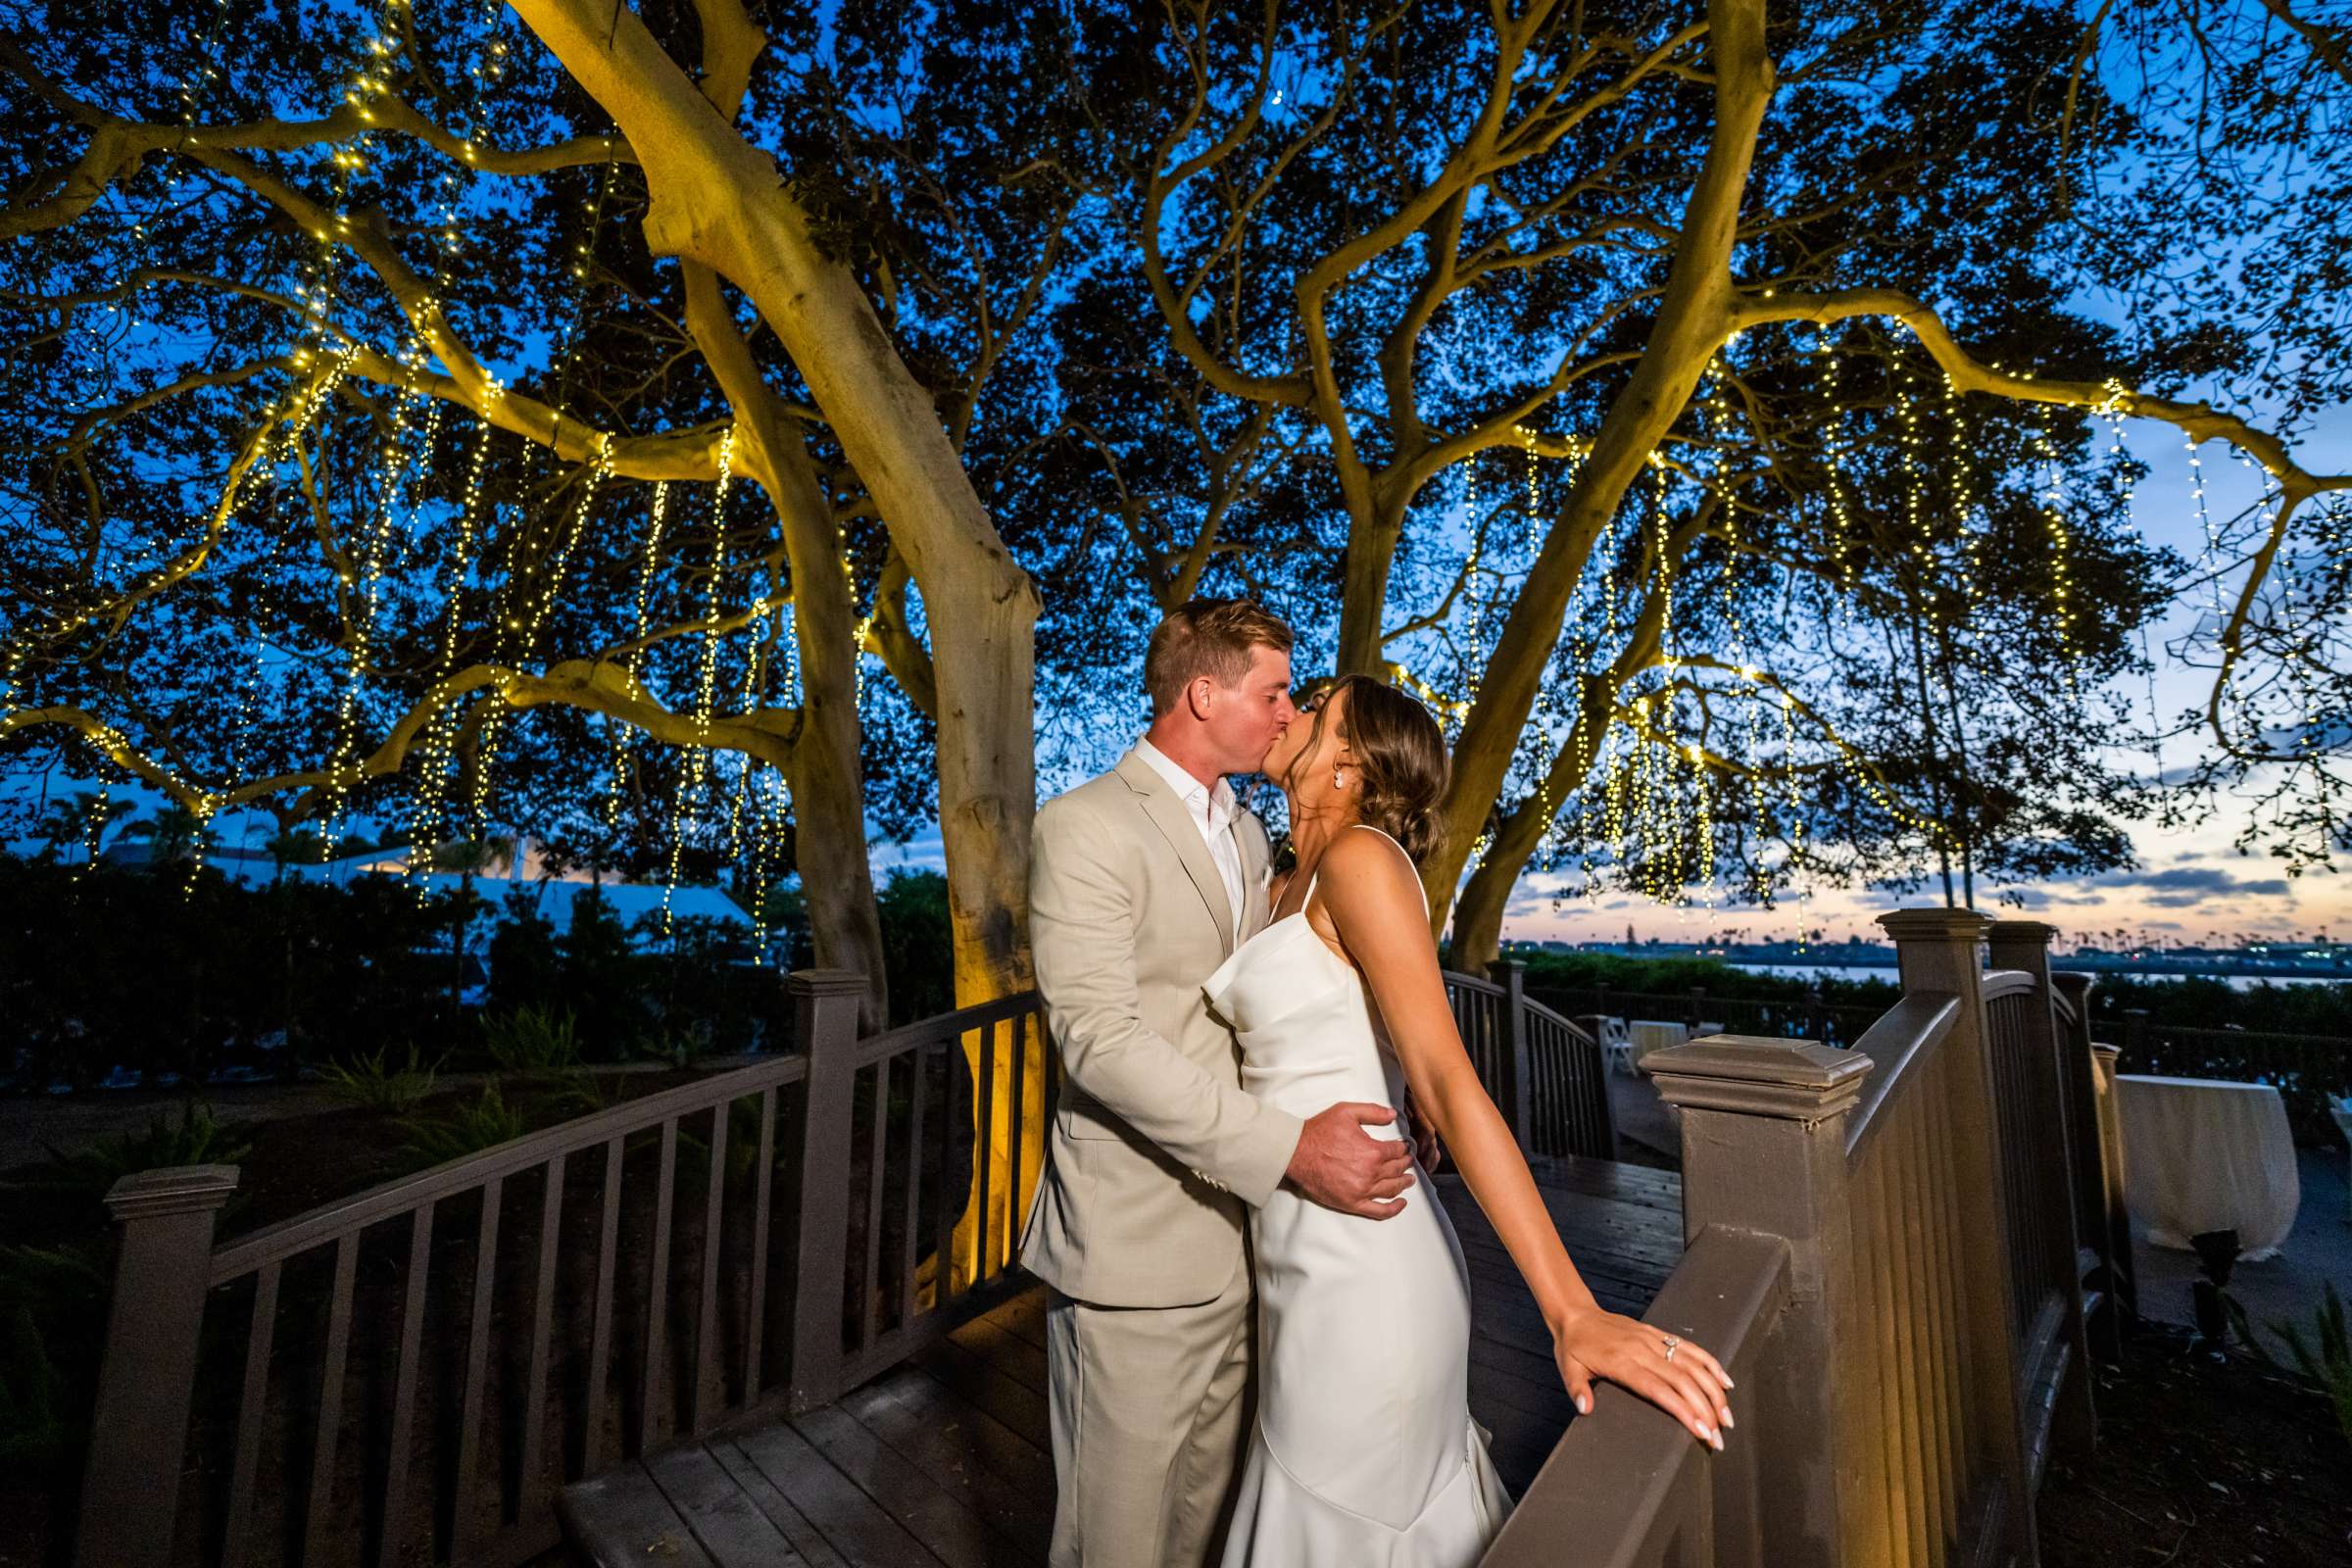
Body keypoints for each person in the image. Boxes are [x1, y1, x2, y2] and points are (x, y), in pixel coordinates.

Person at [1205, 674, 1736, 1564]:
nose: (1289, 714)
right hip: (1294, 1250)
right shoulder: (1278, 880)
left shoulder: (1361, 861)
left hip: (1367, 1277)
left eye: (1316, 707)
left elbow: (1448, 1076)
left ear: (1346, 765)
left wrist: (1573, 1313)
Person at [1019, 598, 1420, 1568]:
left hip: (1249, 1252)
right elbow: (1101, 1042)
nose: (1289, 715)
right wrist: (1288, 1150)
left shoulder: (1248, 837)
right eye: (1275, 693)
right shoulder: (1085, 827)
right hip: (1133, 1255)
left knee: (1201, 1532)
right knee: (1111, 1546)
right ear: (1205, 693)